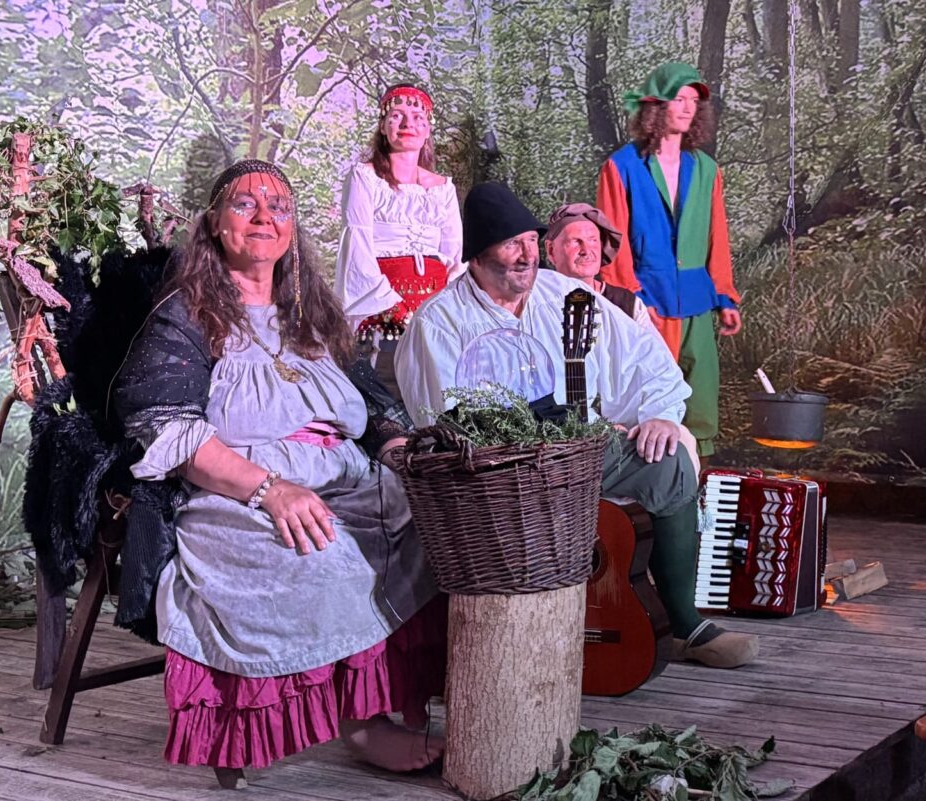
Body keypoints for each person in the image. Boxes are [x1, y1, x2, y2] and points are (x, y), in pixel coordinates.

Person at [114, 159, 444, 783]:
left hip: (346, 476)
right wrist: (268, 489)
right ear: (215, 224)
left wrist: (401, 450)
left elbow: (373, 405)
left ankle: (391, 699)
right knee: (322, 556)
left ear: (292, 229)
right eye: (245, 205)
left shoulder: (312, 313)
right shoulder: (187, 317)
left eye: (280, 208)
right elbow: (166, 427)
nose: (264, 216)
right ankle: (359, 723)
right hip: (239, 488)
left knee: (436, 531)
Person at [395, 181, 758, 669]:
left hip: (581, 453)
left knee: (669, 464)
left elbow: (643, 357)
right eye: (512, 244)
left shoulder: (568, 295)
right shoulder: (440, 322)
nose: (527, 255)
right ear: (477, 255)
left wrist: (658, 413)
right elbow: (442, 419)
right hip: (498, 478)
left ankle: (683, 624)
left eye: (531, 241)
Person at [596, 62, 742, 460]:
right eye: (679, 98)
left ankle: (699, 486)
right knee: (652, 402)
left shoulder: (706, 169)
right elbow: (612, 241)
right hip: (648, 301)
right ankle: (653, 484)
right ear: (655, 106)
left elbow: (717, 237)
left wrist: (725, 297)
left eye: (694, 100)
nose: (688, 107)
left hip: (696, 300)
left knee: (701, 404)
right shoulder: (621, 166)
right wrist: (631, 299)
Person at [544, 201, 699, 478]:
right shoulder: (537, 303)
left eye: (593, 240)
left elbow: (658, 368)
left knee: (680, 441)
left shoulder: (626, 305)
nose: (586, 249)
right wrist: (594, 425)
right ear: (551, 251)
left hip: (629, 422)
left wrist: (659, 417)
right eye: (575, 241)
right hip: (563, 426)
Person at [335, 83, 464, 393]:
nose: (408, 124)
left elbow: (455, 257)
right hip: (382, 307)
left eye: (418, 117)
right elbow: (357, 248)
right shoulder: (365, 177)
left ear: (428, 130)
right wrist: (393, 308)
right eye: (397, 115)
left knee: (440, 391)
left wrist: (447, 312)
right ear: (383, 126)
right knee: (386, 390)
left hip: (434, 311)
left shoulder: (443, 188)